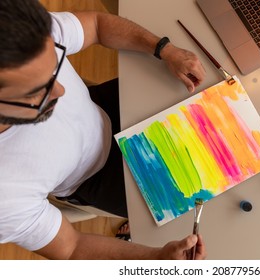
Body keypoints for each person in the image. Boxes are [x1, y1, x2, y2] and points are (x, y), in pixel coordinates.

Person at [0, 0, 207, 260]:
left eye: (55, 65)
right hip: (98, 178)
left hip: (103, 107)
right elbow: (71, 247)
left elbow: (97, 25)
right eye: (36, 92)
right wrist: (156, 258)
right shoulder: (5, 195)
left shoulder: (19, 31)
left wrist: (164, 49)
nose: (61, 91)